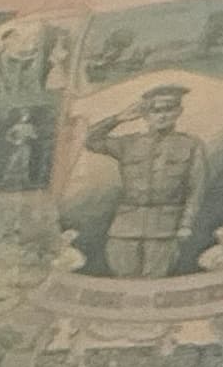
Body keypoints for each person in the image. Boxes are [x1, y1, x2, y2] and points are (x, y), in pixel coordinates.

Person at [82, 83, 203, 277]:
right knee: (122, 280)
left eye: (168, 109)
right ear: (145, 115)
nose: (162, 116)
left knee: (155, 282)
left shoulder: (191, 145)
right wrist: (118, 118)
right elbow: (89, 140)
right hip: (125, 227)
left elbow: (196, 188)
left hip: (164, 228)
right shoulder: (128, 143)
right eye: (155, 111)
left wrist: (186, 224)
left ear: (179, 111)